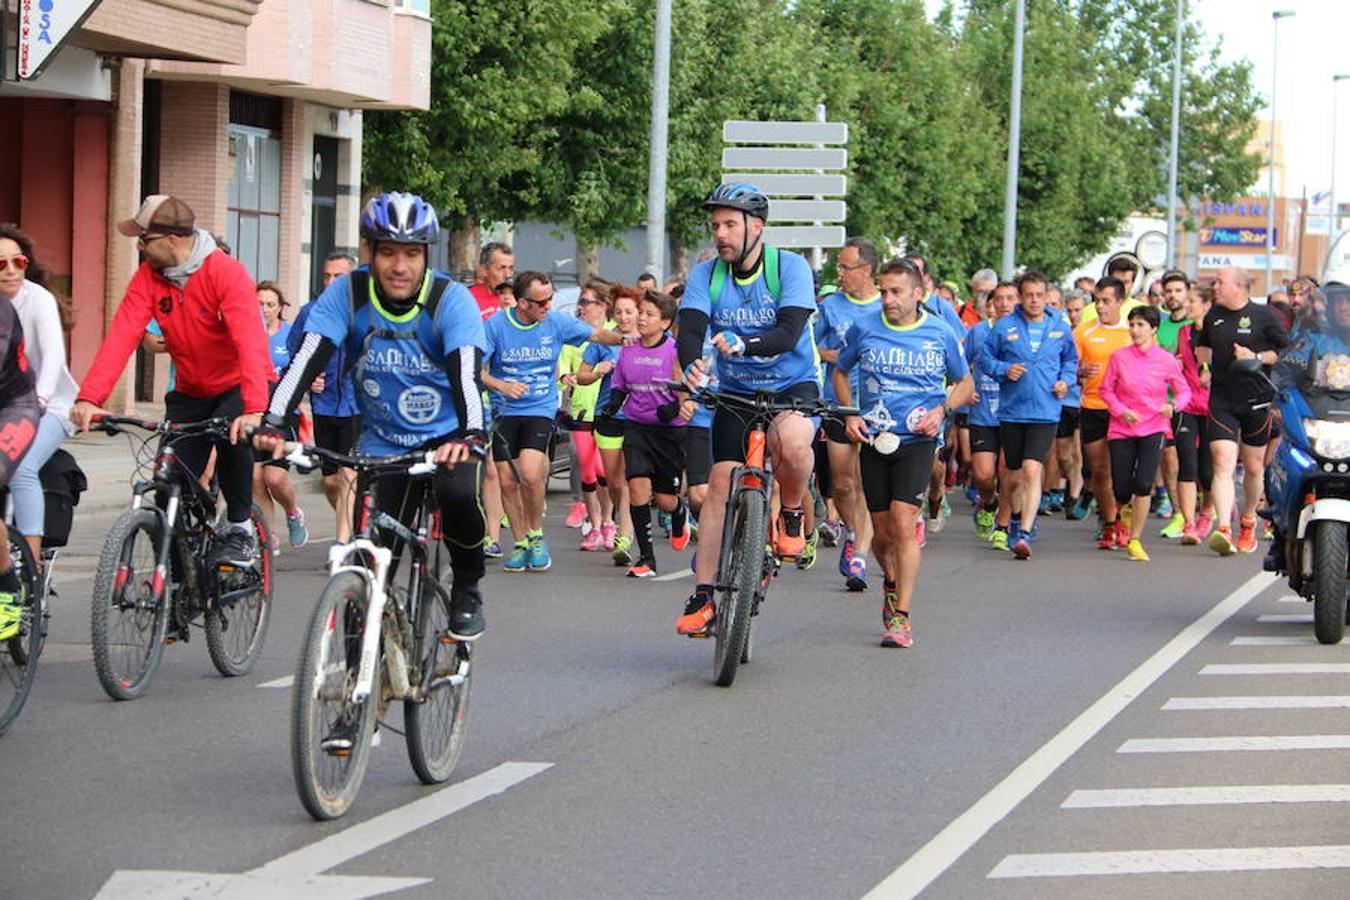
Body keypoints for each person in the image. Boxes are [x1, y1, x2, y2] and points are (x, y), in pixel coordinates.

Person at [260, 191, 490, 640]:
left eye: (411, 253)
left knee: (460, 496)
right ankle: (355, 677)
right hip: (383, 441)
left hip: (448, 436)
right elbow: (306, 360)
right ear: (368, 252)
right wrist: (273, 421)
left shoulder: (450, 299)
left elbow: (467, 375)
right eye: (387, 252)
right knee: (369, 567)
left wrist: (471, 434)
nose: (399, 266)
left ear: (426, 254)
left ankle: (466, 587)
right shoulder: (346, 295)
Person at [71, 195, 273, 568]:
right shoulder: (149, 277)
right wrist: (89, 398)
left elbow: (250, 340)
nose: (140, 247)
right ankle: (177, 591)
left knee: (233, 435)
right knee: (168, 485)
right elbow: (122, 335)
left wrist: (255, 407)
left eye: (143, 239)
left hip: (236, 386)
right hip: (190, 391)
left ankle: (241, 526)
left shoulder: (225, 273)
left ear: (172, 240)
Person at [673, 183, 820, 635]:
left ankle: (792, 511)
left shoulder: (788, 268)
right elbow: (691, 330)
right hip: (735, 390)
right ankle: (704, 597)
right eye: (716, 225)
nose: (720, 234)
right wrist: (691, 367)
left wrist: (745, 342)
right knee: (719, 482)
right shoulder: (707, 275)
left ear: (756, 227)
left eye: (729, 224)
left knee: (793, 442)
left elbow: (790, 332)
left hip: (791, 384)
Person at [833, 258, 973, 647]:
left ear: (917, 294)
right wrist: (850, 416)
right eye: (883, 291)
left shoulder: (939, 332)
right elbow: (841, 372)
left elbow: (964, 381)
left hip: (918, 439)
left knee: (902, 520)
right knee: (880, 534)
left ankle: (902, 616)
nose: (888, 299)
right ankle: (891, 583)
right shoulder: (866, 328)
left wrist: (943, 409)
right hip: (875, 438)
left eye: (896, 292)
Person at [482, 271, 625, 573]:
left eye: (550, 298)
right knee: (507, 480)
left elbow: (596, 335)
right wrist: (500, 385)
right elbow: (475, 369)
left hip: (539, 408)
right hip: (504, 410)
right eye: (542, 301)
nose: (549, 305)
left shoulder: (556, 322)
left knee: (531, 473)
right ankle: (520, 542)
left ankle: (535, 534)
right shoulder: (496, 326)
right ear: (522, 303)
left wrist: (627, 339)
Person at [979, 270, 1078, 560]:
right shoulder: (1004, 326)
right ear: (1021, 298)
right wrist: (1003, 370)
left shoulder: (1059, 326)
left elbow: (1070, 360)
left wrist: (1065, 381)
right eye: (1029, 295)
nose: (1035, 300)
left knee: (1032, 469)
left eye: (1039, 295)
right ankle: (1012, 516)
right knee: (1012, 476)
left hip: (1045, 410)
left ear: (1047, 295)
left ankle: (1024, 532)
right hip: (1012, 410)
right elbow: (986, 359)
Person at [1197, 266, 1289, 555]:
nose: (1214, 286)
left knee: (1252, 466)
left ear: (1238, 286)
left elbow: (1285, 350)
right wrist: (1205, 368)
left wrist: (1257, 357)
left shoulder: (1264, 316)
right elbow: (1203, 345)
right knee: (1222, 462)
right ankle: (1223, 528)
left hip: (1256, 400)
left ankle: (1248, 520)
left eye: (1219, 282)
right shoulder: (1213, 315)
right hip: (1222, 399)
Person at [601, 291, 693, 577]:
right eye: (640, 312)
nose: (641, 318)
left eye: (649, 314)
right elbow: (620, 383)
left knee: (665, 499)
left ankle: (678, 513)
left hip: (669, 433)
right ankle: (647, 558)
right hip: (636, 426)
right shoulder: (628, 348)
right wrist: (613, 403)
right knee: (638, 486)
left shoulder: (676, 352)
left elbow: (689, 391)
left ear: (665, 323)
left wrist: (674, 408)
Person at [0, 226, 73, 565]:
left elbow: (54, 358)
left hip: (51, 408)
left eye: (18, 261)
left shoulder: (39, 300)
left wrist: (41, 399)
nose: (11, 270)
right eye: (1, 264)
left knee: (21, 468)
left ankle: (29, 564)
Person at [814, 237, 881, 592]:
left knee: (867, 481)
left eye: (845, 267)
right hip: (837, 403)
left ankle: (860, 552)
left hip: (877, 406)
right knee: (842, 483)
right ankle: (852, 531)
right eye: (838, 267)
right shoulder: (831, 307)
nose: (839, 274)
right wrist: (837, 358)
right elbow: (810, 345)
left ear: (866, 271)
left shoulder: (888, 306)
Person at [1099, 306, 1190, 561]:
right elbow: (1106, 390)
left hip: (1155, 427)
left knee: (1143, 484)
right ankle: (1124, 511)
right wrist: (1121, 411)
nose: (1135, 330)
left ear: (1153, 329)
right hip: (1122, 428)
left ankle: (1135, 539)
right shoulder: (1119, 357)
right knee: (1121, 488)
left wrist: (1173, 406)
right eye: (1132, 324)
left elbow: (1183, 391)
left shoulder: (1166, 360)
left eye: (1140, 325)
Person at [291, 253, 359, 562]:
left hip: (359, 406)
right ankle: (355, 526)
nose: (330, 282)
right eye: (327, 276)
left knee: (348, 475)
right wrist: (308, 381)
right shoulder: (310, 313)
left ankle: (342, 544)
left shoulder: (367, 312)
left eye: (338, 277)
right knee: (331, 481)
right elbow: (293, 356)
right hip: (325, 405)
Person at [576, 286, 640, 564]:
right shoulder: (604, 340)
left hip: (641, 418)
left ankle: (626, 534)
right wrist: (597, 371)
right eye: (619, 312)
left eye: (629, 312)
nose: (624, 317)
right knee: (614, 480)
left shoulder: (652, 338)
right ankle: (621, 527)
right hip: (609, 415)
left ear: (639, 312)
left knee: (634, 479)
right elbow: (582, 375)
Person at [1074, 276, 1133, 549]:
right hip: (1093, 407)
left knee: (1122, 472)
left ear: (1120, 302)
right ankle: (1110, 522)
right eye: (1097, 300)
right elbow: (1068, 367)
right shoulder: (1083, 332)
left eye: (1106, 301)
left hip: (1126, 411)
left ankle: (1123, 517)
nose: (1100, 306)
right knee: (1099, 471)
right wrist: (1079, 372)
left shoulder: (1133, 331)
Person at [251, 281, 308, 550]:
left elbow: (306, 367)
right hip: (253, 412)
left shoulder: (290, 335)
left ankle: (293, 512)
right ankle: (268, 538)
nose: (264, 309)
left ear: (280, 307)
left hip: (284, 415)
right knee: (255, 478)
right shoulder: (248, 332)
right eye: (259, 303)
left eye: (270, 304)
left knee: (273, 477)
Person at [559, 279, 616, 550]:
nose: (581, 308)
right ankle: (593, 526)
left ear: (603, 306)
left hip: (608, 411)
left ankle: (608, 521)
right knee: (587, 471)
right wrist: (566, 377)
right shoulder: (574, 337)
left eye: (586, 302)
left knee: (605, 471)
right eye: (580, 302)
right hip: (581, 409)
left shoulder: (617, 335)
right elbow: (562, 370)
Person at [965, 281, 1017, 546]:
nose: (1005, 304)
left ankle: (1003, 526)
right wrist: (966, 388)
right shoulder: (977, 332)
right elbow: (960, 365)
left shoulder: (1026, 335)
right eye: (1000, 299)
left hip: (1015, 414)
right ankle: (989, 502)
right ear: (991, 305)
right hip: (983, 412)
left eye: (1011, 298)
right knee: (984, 475)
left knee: (1008, 472)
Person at [1175, 286, 1215, 544]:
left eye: (1191, 301)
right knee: (1186, 465)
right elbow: (1182, 361)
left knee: (1208, 470)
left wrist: (1214, 372)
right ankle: (1189, 522)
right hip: (1187, 404)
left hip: (1214, 407)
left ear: (1206, 304)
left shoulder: (1219, 332)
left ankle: (1208, 512)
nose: (1186, 304)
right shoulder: (1184, 332)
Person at [469, 242, 514, 321]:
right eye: (502, 268)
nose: (508, 275)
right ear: (484, 270)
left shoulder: (520, 299)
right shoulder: (467, 298)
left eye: (510, 268)